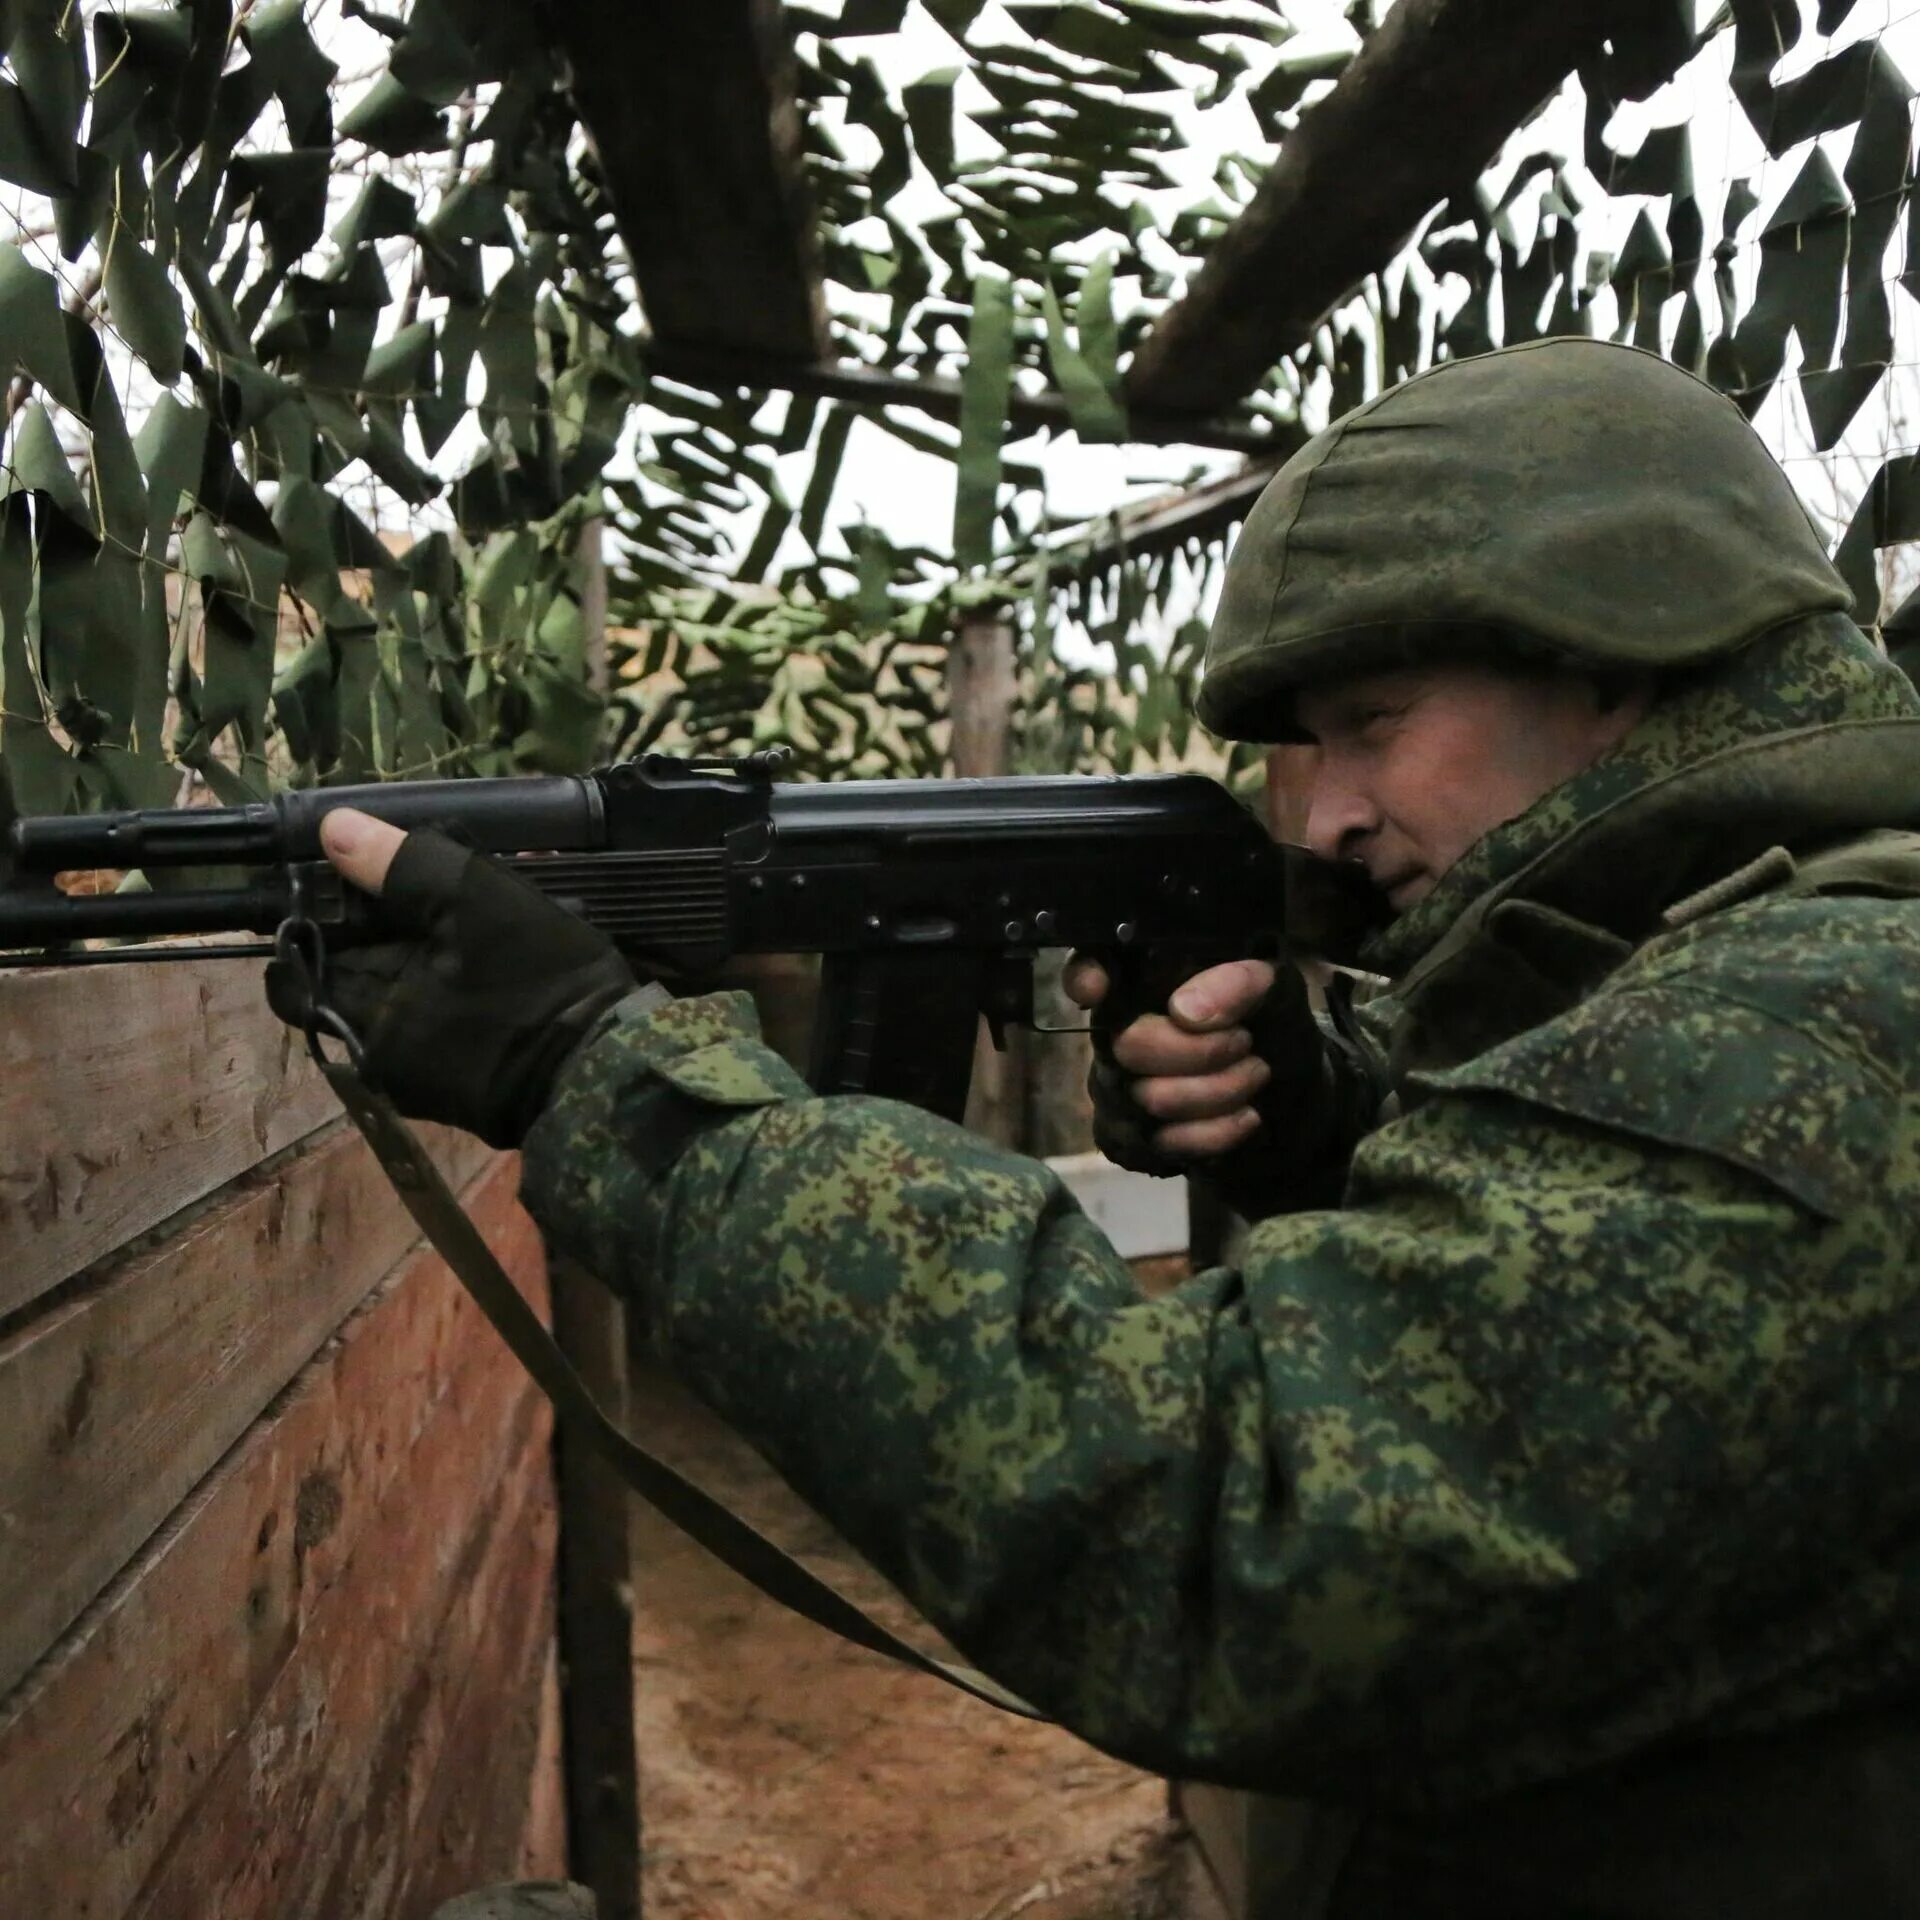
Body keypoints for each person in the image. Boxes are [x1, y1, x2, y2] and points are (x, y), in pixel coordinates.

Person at [273, 338, 1920, 1917]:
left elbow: (1228, 1521)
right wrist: (1323, 1107)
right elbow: (1589, 1271)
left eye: (1374, 722)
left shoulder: (1823, 1028)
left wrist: (603, 1074)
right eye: (1300, 748)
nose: (1327, 814)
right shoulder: (1756, 953)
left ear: (1613, 656)